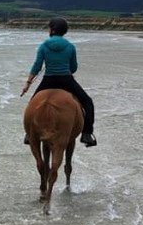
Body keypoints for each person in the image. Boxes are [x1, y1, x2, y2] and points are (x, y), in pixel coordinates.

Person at [20, 17, 96, 146]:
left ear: (52, 30)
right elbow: (73, 68)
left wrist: (28, 83)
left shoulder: (44, 46)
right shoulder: (70, 47)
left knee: (32, 104)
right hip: (66, 80)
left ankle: (29, 134)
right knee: (88, 103)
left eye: (49, 27)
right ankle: (87, 134)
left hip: (48, 80)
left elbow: (37, 66)